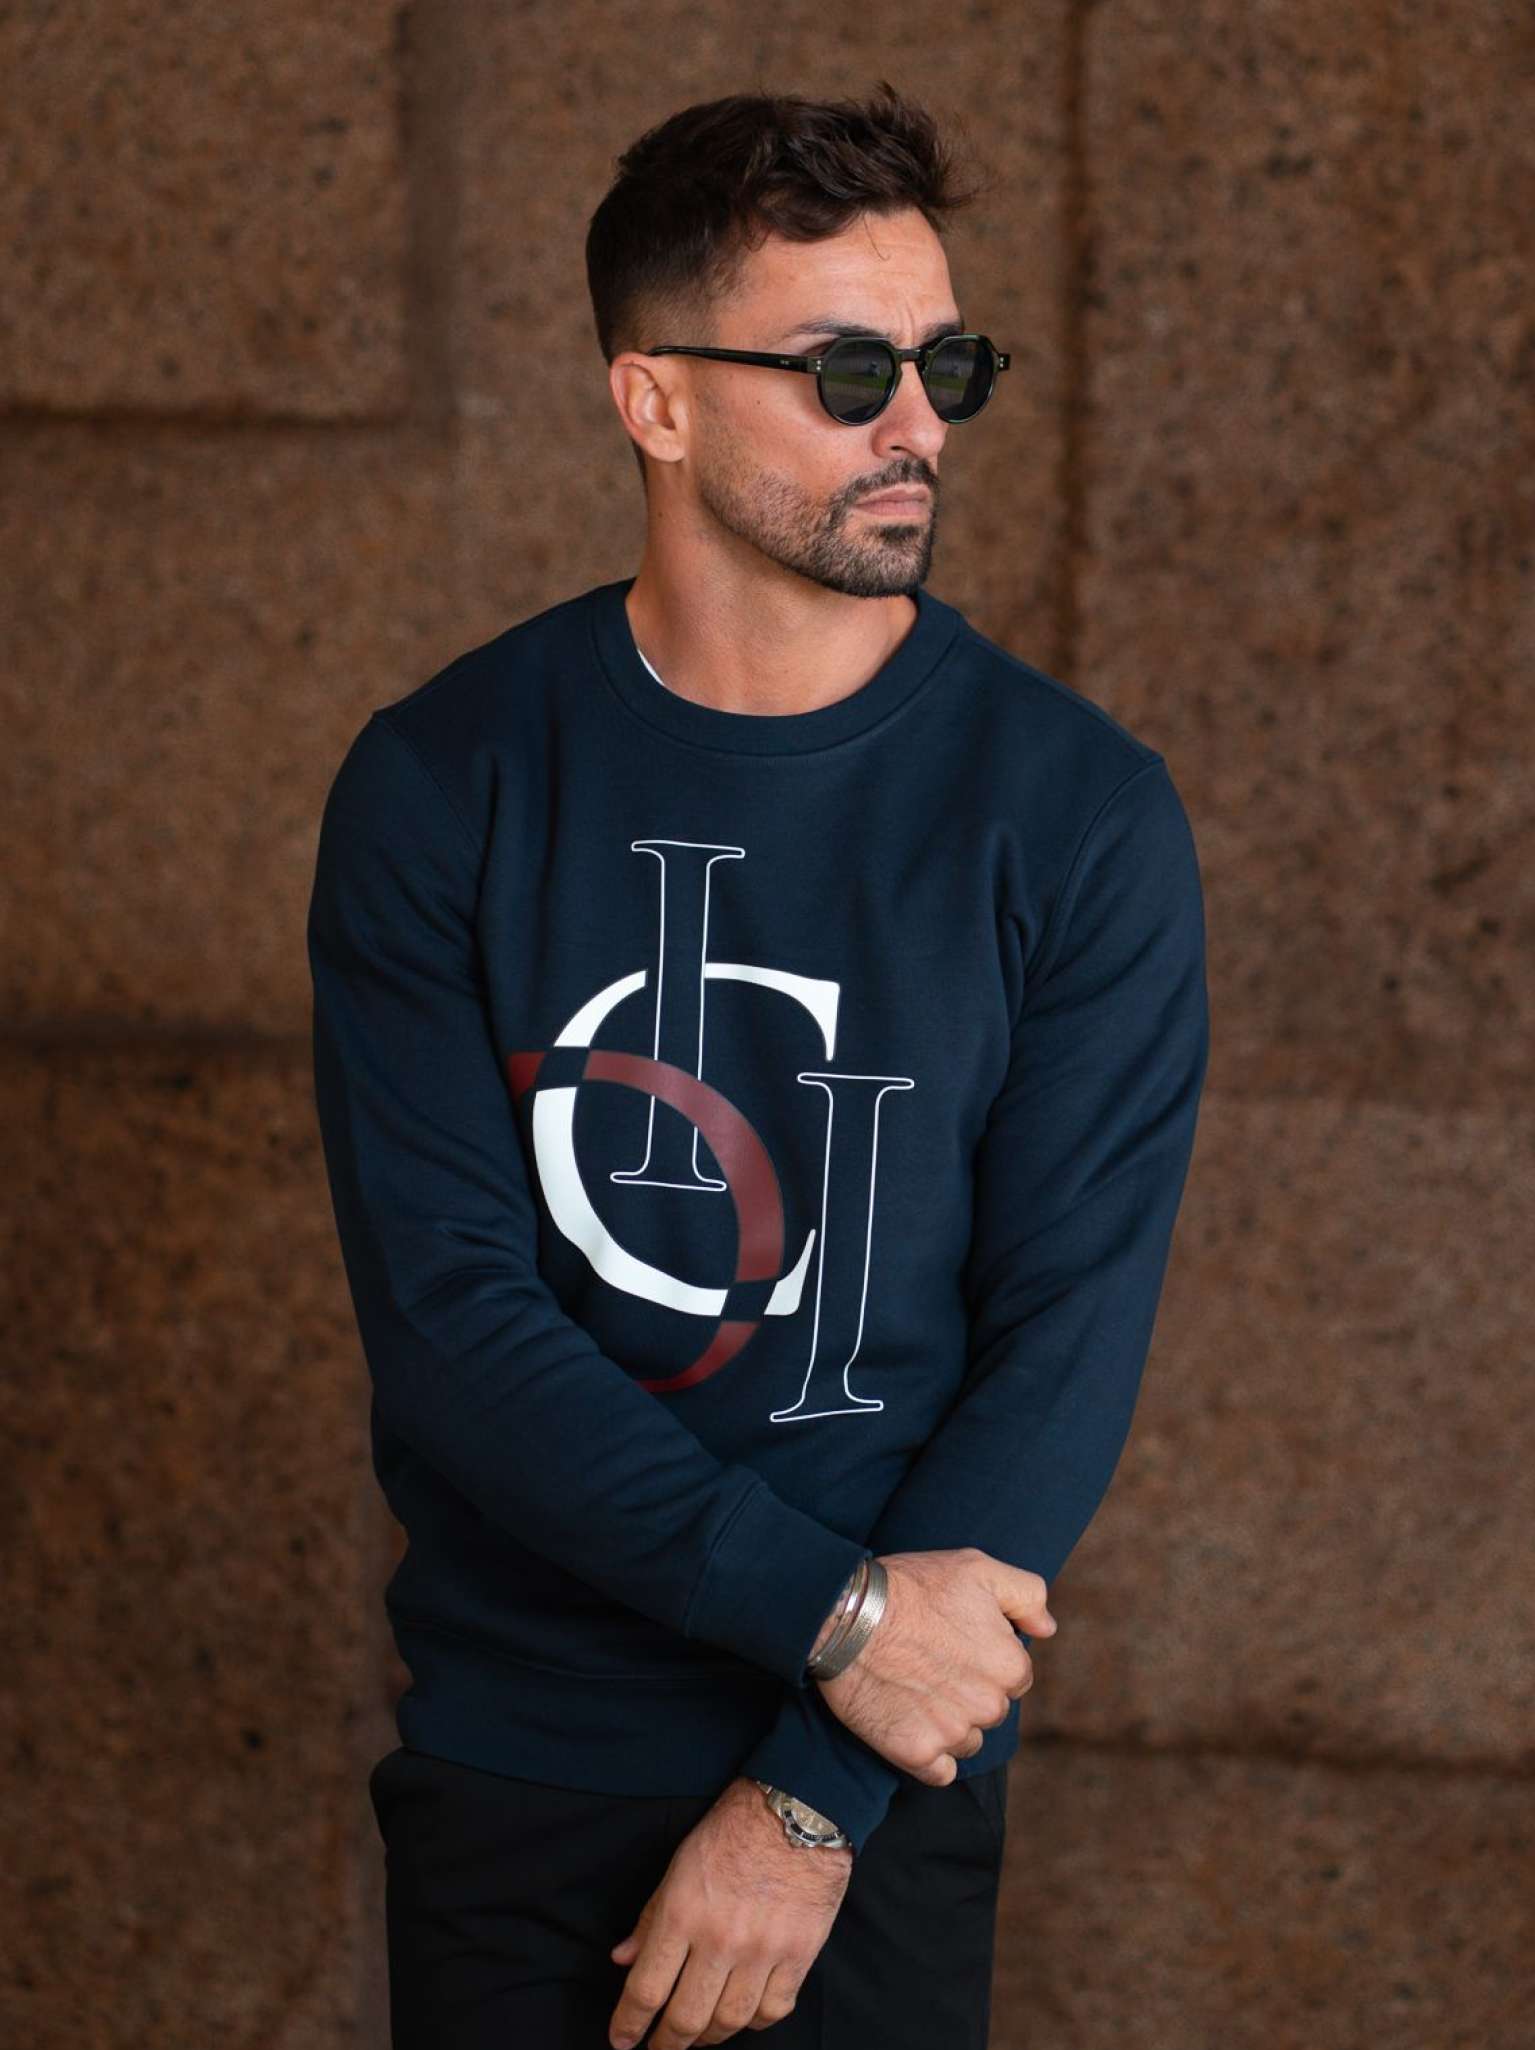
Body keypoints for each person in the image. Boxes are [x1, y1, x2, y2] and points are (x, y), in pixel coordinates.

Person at [307, 79, 1210, 2050]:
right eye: (848, 371)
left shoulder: (1077, 816)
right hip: (523, 1756)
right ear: (654, 399)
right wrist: (837, 1616)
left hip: (873, 1786)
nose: (918, 426)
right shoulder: (445, 784)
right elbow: (455, 1325)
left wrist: (814, 1791)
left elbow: (1058, 1349)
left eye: (946, 365)